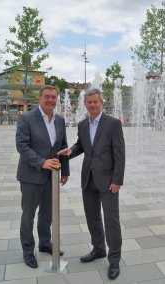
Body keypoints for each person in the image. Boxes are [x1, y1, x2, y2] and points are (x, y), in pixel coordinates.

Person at [58, 88, 125, 280]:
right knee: (92, 217)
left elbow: (120, 155)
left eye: (95, 101)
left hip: (108, 181)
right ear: (85, 104)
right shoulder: (82, 125)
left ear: (101, 102)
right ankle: (98, 249)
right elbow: (82, 145)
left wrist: (117, 180)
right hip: (88, 178)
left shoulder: (113, 124)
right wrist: (70, 151)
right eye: (89, 102)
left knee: (111, 220)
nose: (92, 105)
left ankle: (114, 260)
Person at [16, 85, 69, 269]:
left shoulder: (60, 120)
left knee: (47, 213)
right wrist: (41, 162)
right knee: (28, 215)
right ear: (40, 98)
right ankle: (28, 250)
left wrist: (66, 172)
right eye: (47, 97)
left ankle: (45, 243)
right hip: (31, 176)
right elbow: (22, 146)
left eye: (54, 97)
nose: (50, 100)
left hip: (52, 176)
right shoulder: (27, 118)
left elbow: (63, 147)